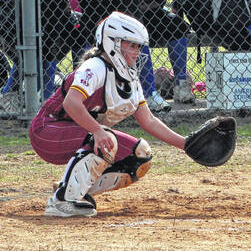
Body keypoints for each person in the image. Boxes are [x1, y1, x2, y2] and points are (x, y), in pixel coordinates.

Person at [29, 12, 188, 217]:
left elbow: (147, 119)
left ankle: (72, 189)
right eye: (132, 46)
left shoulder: (129, 77)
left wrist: (185, 145)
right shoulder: (95, 67)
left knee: (141, 155)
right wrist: (96, 130)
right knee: (106, 139)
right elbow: (71, 103)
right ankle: (63, 201)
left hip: (75, 134)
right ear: (113, 43)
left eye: (138, 47)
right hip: (46, 131)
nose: (137, 52)